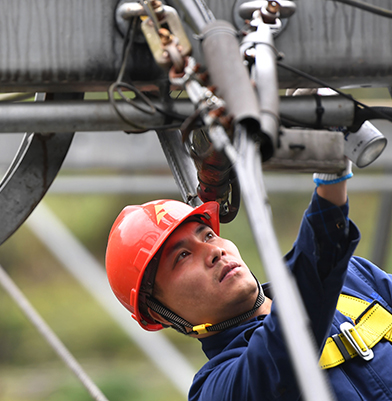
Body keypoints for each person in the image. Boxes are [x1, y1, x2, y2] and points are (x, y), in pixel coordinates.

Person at [105, 161, 392, 400]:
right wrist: (331, 186)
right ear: (158, 311)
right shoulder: (218, 389)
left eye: (207, 235)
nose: (214, 251)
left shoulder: (351, 279)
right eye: (182, 256)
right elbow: (285, 346)